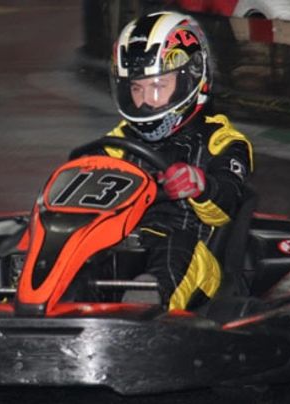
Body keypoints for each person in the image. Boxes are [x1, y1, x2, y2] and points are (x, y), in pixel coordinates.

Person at [105, 11, 254, 311]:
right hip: (125, 242)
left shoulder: (222, 140)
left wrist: (201, 185)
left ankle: (148, 309)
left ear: (191, 78)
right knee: (85, 250)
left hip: (194, 253)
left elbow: (227, 201)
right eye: (136, 88)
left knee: (175, 248)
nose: (145, 101)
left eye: (157, 86)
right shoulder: (119, 140)